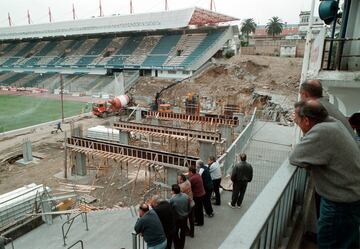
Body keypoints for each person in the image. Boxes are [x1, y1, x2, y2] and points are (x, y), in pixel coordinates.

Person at [289, 100, 360, 249]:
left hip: (340, 204)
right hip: (350, 199)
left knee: (329, 244)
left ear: (307, 120)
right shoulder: (333, 123)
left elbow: (296, 157)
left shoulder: (322, 132)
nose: (297, 123)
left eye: (297, 120)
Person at [170, 184, 191, 249]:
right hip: (184, 217)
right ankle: (182, 245)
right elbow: (189, 206)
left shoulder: (173, 199)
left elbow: (171, 208)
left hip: (177, 218)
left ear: (173, 191)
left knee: (175, 232)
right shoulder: (186, 196)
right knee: (183, 232)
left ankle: (177, 245)